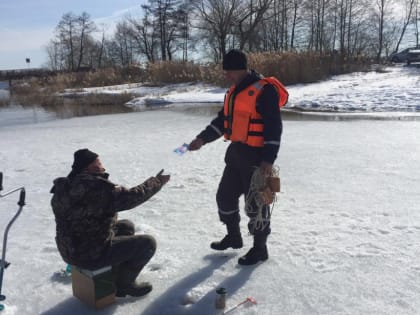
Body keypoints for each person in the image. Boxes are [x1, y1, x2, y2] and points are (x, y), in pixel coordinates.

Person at [188, 49, 287, 265]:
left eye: (229, 71)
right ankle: (233, 237)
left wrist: (268, 161)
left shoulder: (264, 90)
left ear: (241, 69)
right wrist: (202, 139)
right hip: (236, 154)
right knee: (224, 197)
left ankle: (260, 249)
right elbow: (223, 121)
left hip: (257, 157)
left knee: (257, 206)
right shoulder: (234, 92)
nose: (226, 76)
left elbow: (274, 128)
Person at [50, 149, 170, 297]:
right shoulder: (95, 188)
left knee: (125, 226)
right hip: (88, 255)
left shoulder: (66, 187)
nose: (103, 167)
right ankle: (124, 285)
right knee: (147, 244)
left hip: (70, 249)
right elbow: (132, 197)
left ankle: (114, 274)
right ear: (89, 167)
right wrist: (157, 182)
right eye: (99, 163)